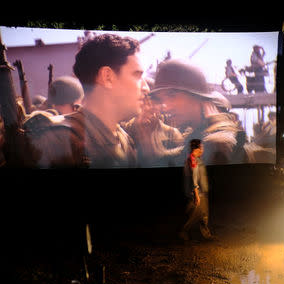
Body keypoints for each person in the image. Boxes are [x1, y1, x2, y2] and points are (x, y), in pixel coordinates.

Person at [24, 33, 149, 168]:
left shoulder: (124, 140)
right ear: (107, 77)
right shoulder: (57, 140)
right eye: (137, 75)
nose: (146, 88)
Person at [148, 59, 245, 165]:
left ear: (197, 96)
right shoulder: (197, 134)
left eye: (172, 95)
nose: (165, 107)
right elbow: (175, 157)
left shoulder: (215, 143)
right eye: (161, 99)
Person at [178, 139, 213, 241]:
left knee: (204, 215)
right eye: (201, 147)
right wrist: (197, 195)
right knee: (195, 215)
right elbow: (194, 179)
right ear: (197, 148)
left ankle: (206, 235)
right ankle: (183, 232)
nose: (203, 149)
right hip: (197, 193)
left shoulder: (197, 159)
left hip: (201, 192)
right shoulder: (193, 160)